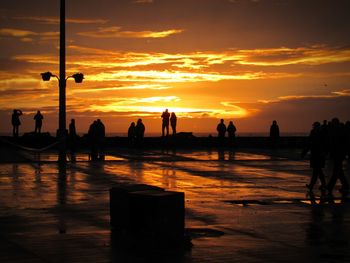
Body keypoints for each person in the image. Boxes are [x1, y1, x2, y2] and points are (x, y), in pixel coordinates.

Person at [301, 122, 327, 192]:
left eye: (314, 126)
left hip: (317, 155)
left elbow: (309, 144)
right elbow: (309, 144)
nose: (314, 127)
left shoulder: (319, 134)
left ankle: (312, 185)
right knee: (318, 171)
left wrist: (303, 153)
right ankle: (321, 185)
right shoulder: (320, 133)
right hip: (316, 155)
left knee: (317, 171)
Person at [327, 118, 349, 195]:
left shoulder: (338, 131)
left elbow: (335, 144)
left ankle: (330, 186)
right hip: (339, 154)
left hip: (338, 154)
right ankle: (345, 185)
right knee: (339, 171)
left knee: (336, 171)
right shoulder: (339, 131)